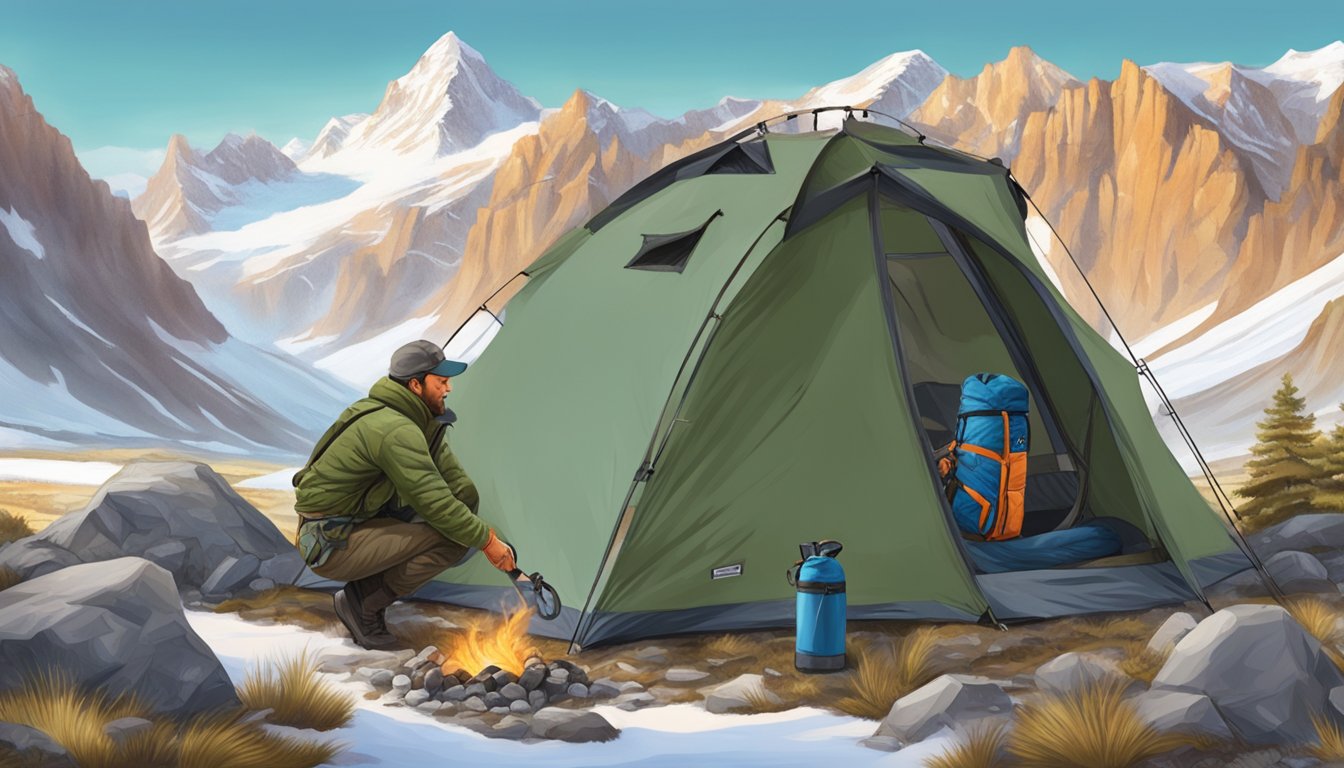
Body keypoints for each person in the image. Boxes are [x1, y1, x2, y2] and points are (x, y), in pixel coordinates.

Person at [292, 339, 516, 649]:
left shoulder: (415, 420)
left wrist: (474, 523)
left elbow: (457, 487)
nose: (448, 389)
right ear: (415, 384)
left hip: (357, 523)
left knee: (459, 528)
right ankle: (362, 604)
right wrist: (488, 542)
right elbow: (435, 501)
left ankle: (365, 592)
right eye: (441, 381)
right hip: (331, 540)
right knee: (451, 538)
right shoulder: (394, 430)